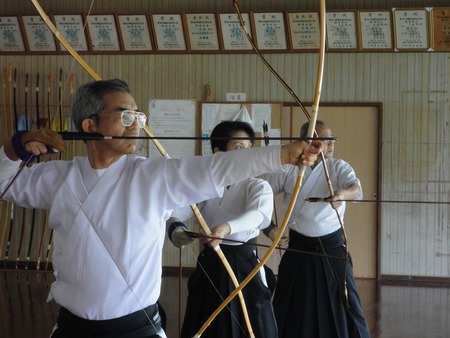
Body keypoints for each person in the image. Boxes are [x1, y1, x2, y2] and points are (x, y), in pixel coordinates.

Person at [0, 79, 322, 338]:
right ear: (89, 124)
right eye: (126, 116)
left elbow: (214, 169)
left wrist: (281, 155)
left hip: (136, 329)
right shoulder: (58, 177)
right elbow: (3, 184)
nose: (136, 124)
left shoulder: (152, 176)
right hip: (73, 329)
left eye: (139, 116)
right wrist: (16, 147)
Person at [167, 120, 278, 338]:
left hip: (244, 264)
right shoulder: (205, 186)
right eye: (239, 148)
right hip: (211, 263)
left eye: (249, 149)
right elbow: (178, 209)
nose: (246, 155)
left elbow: (259, 216)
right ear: (218, 152)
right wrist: (176, 227)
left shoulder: (258, 186)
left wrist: (226, 228)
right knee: (205, 317)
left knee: (251, 320)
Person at [266, 120, 370, 338]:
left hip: (331, 249)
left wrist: (342, 195)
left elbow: (356, 189)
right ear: (308, 143)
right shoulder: (290, 168)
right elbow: (263, 194)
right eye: (324, 139)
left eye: (332, 138)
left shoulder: (338, 167)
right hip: (299, 247)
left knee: (347, 301)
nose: (331, 143)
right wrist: (271, 228)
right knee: (290, 300)